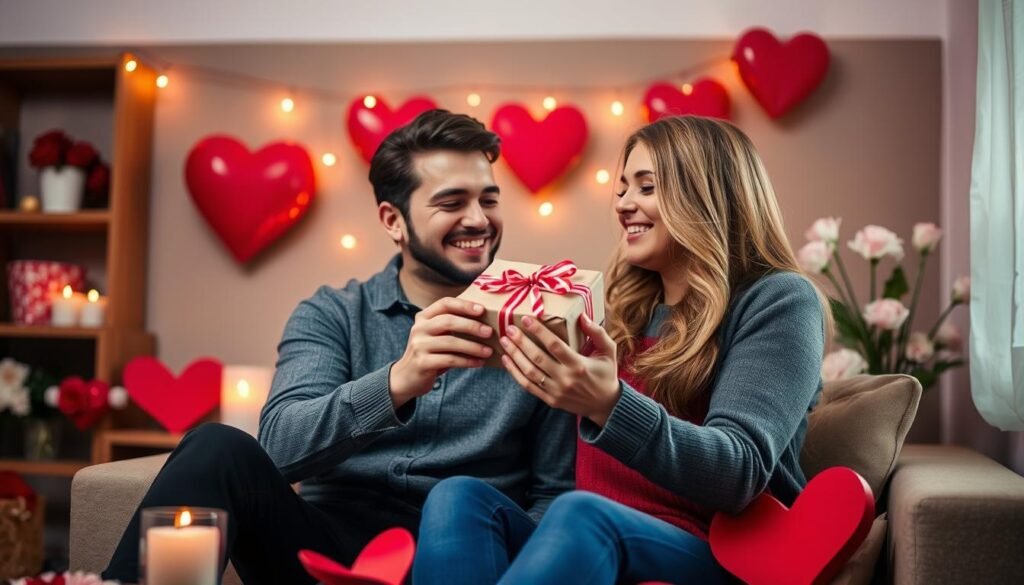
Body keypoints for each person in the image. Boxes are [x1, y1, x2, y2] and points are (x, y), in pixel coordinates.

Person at [102, 110, 576, 584]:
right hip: (326, 552)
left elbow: (554, 492)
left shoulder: (542, 323)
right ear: (394, 220)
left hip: (463, 555)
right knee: (216, 445)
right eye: (451, 202)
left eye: (488, 200)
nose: (478, 219)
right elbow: (280, 447)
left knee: (458, 503)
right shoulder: (333, 314)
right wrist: (395, 384)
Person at [412, 115, 830, 585]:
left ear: (706, 196)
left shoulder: (778, 300)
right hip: (594, 539)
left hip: (716, 554)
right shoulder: (619, 311)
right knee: (458, 499)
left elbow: (738, 472)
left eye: (646, 188)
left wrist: (609, 405)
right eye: (623, 189)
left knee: (582, 515)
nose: (624, 205)